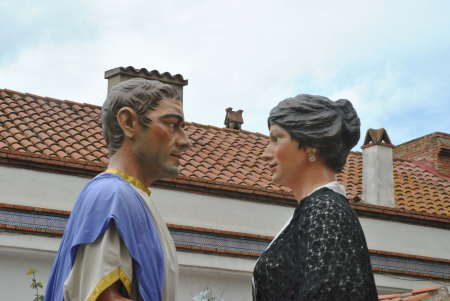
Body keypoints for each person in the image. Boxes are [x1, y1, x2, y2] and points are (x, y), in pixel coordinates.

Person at [45, 78, 191, 301]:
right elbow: (103, 297)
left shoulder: (130, 197)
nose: (185, 140)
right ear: (129, 122)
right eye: (172, 124)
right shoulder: (110, 196)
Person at [253, 94, 378, 300]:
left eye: (277, 139)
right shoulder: (317, 210)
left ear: (311, 144)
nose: (266, 153)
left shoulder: (327, 212)